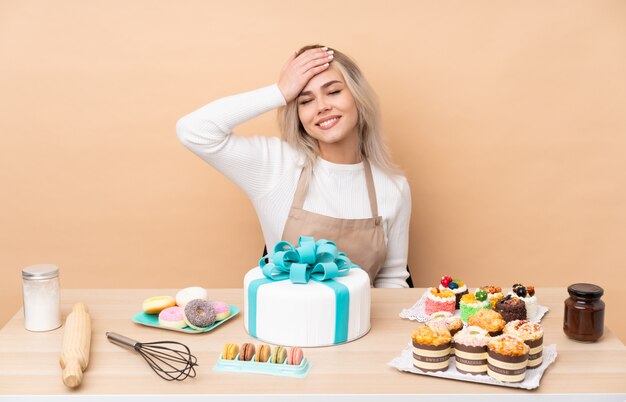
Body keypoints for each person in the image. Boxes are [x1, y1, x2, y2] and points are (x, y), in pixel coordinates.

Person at [177, 45, 411, 288]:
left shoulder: (394, 187)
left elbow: (391, 280)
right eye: (306, 100)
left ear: (357, 97)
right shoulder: (276, 165)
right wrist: (279, 92)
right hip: (282, 324)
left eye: (333, 92)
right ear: (297, 114)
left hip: (357, 325)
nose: (321, 107)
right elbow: (192, 130)